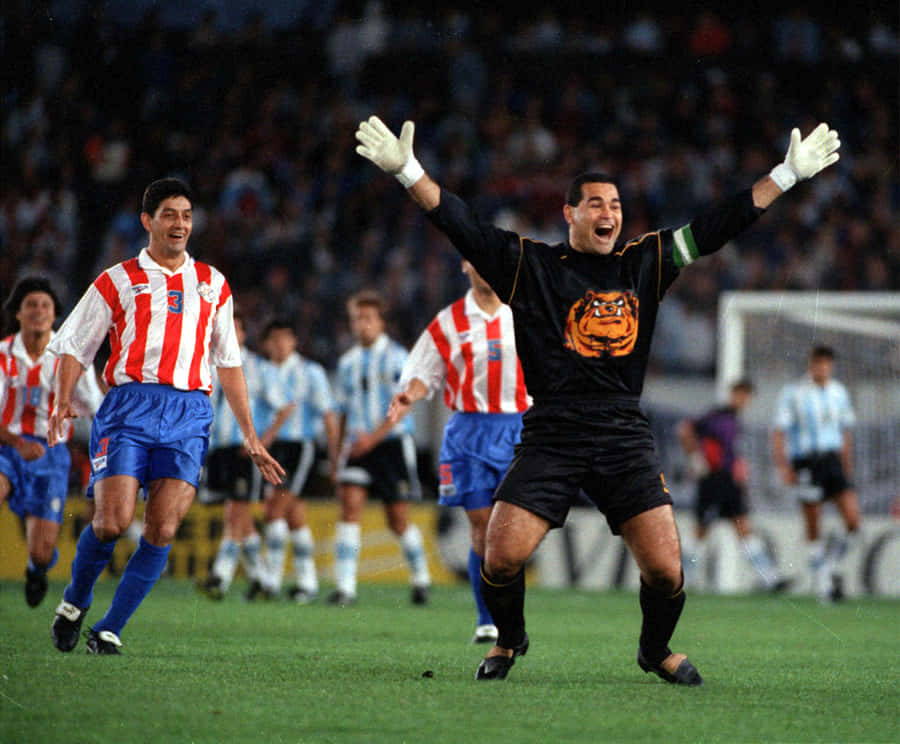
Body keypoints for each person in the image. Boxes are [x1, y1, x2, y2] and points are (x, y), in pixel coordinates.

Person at [355, 115, 840, 683]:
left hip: (622, 433)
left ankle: (654, 649)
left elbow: (715, 227)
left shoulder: (645, 262)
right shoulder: (531, 267)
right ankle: (509, 641)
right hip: (553, 432)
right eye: (594, 204)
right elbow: (462, 225)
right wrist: (407, 170)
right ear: (570, 214)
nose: (608, 213)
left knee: (666, 568)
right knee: (500, 556)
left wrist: (785, 174)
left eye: (614, 204)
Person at [47, 177, 284, 655]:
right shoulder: (116, 280)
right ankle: (75, 600)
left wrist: (251, 435)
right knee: (112, 522)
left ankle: (110, 628)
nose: (180, 224)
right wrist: (63, 398)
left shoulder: (213, 284)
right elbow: (75, 344)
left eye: (187, 216)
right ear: (147, 221)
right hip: (129, 405)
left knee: (163, 528)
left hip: (189, 411)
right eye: (170, 215)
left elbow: (229, 363)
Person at [385, 259, 531, 643]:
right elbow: (422, 374)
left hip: (521, 430)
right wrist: (408, 396)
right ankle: (487, 621)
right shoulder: (450, 321)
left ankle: (507, 616)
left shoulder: (528, 311)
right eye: (478, 255)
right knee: (483, 526)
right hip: (471, 431)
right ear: (467, 265)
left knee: (510, 537)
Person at [0, 277, 103, 608]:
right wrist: (16, 443)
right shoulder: (3, 356)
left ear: (54, 314)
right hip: (7, 448)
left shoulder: (69, 356)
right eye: (30, 305)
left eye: (45, 305)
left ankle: (36, 568)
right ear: (18, 313)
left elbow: (96, 406)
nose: (38, 311)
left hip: (51, 454)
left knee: (42, 552)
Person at [331, 290, 431, 606]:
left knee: (397, 518)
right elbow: (343, 412)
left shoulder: (399, 358)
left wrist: (371, 440)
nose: (361, 325)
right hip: (358, 447)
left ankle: (421, 578)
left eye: (367, 319)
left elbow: (402, 407)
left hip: (390, 445)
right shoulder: (347, 363)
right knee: (349, 508)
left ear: (381, 322)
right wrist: (337, 455)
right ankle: (345, 588)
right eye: (356, 319)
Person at [248, 319, 340, 603]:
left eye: (285, 338)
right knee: (294, 516)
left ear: (294, 341)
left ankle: (271, 582)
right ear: (266, 344)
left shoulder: (310, 372)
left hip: (300, 447)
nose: (279, 344)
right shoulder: (260, 372)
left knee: (273, 511)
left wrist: (335, 457)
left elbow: (328, 415)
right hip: (272, 448)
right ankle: (307, 583)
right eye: (273, 339)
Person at [197, 310, 280, 601]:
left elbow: (284, 407)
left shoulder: (257, 366)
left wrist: (260, 441)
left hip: (243, 450)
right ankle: (263, 579)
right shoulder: (205, 363)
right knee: (237, 516)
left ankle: (219, 577)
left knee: (236, 511)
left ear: (243, 335)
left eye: (235, 330)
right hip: (218, 448)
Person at [677, 380, 789, 592]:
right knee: (700, 531)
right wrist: (695, 459)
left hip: (729, 482)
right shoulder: (716, 416)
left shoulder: (735, 420)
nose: (744, 400)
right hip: (712, 480)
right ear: (732, 394)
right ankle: (683, 579)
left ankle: (770, 579)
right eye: (741, 394)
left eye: (747, 396)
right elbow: (685, 430)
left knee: (744, 528)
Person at [772, 345, 859, 602]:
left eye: (826, 364)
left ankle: (830, 567)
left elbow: (845, 431)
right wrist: (783, 466)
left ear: (831, 366)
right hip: (807, 463)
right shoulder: (793, 393)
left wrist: (846, 462)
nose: (821, 368)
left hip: (832, 461)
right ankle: (823, 586)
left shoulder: (839, 392)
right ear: (810, 365)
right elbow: (779, 431)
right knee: (814, 522)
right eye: (817, 363)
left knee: (853, 520)